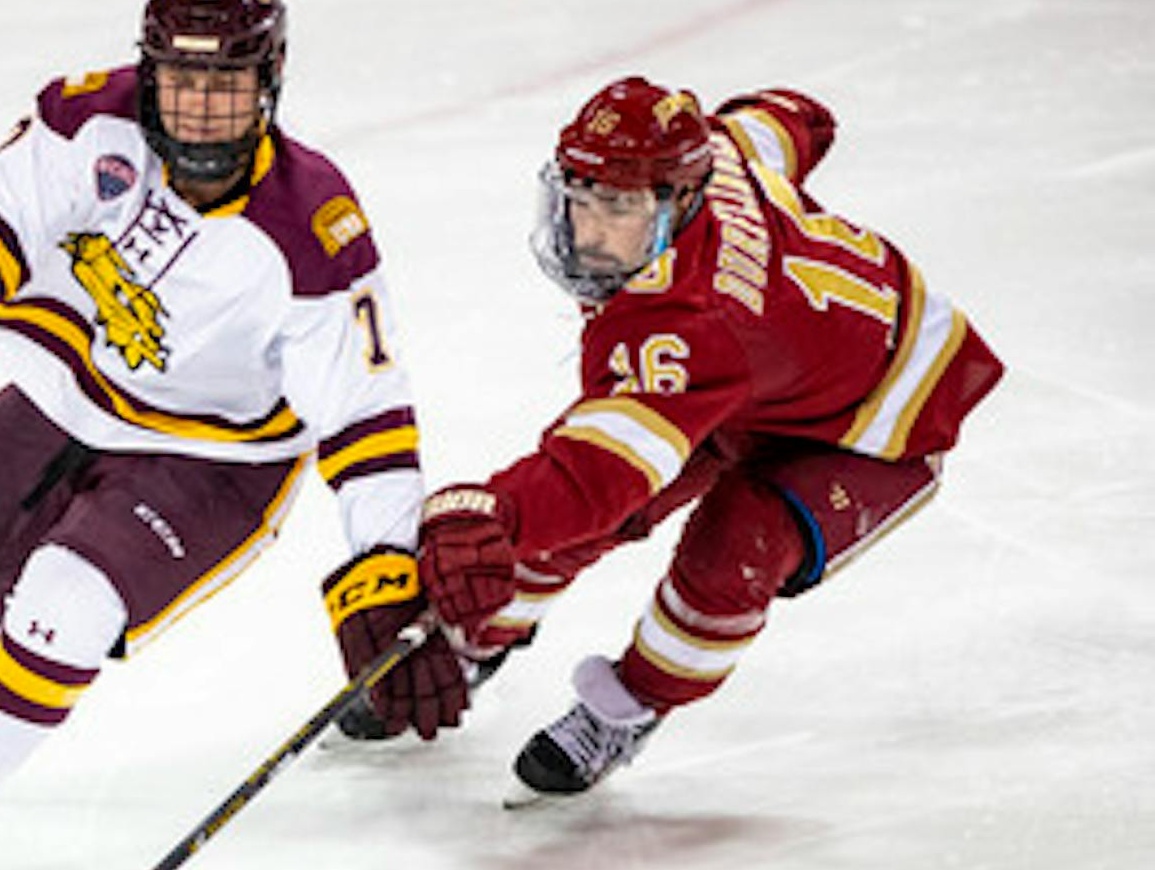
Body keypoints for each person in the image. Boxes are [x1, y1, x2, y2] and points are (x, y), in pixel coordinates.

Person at [0, 0, 467, 870]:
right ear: (148, 69)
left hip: (212, 460)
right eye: (181, 81)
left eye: (227, 86)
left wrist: (387, 562)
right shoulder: (83, 118)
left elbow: (367, 416)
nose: (199, 112)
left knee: (67, 607)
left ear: (271, 82)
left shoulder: (312, 223)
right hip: (62, 397)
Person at [416, 76, 1004, 800]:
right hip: (765, 384)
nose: (591, 230)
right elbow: (793, 120)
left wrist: (488, 511)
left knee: (736, 543)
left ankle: (633, 704)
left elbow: (589, 478)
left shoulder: (686, 323)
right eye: (581, 194)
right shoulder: (714, 155)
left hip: (881, 421)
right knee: (612, 504)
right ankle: (487, 631)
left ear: (679, 201)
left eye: (620, 206)